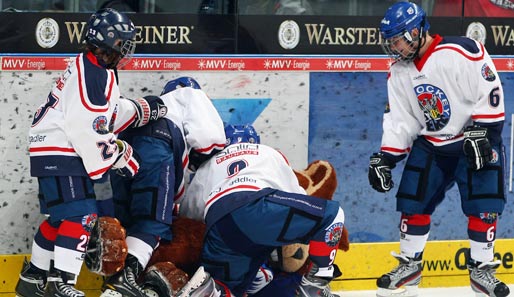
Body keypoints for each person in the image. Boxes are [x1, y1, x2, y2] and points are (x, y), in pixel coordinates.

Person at [15, 8, 166, 297]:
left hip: (52, 148)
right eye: (124, 43)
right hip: (62, 150)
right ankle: (62, 285)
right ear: (112, 43)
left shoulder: (92, 68)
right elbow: (90, 129)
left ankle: (32, 278)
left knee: (61, 218)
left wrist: (140, 110)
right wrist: (117, 156)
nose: (127, 49)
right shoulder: (94, 75)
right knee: (82, 216)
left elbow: (104, 113)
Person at [368, 2, 508, 297]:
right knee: (412, 202)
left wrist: (485, 130)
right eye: (390, 40)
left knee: (484, 207)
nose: (393, 46)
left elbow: (490, 89)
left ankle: (481, 270)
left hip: (473, 139)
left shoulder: (461, 51)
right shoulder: (399, 71)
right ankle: (411, 266)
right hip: (432, 144)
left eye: (397, 39)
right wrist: (387, 157)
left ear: (417, 31)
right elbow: (400, 119)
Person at [175, 124, 345, 297]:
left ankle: (210, 290)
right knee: (331, 215)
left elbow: (189, 217)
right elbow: (296, 195)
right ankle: (313, 288)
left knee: (230, 290)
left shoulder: (207, 166)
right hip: (258, 208)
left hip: (221, 223)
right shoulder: (269, 152)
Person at [97, 76, 226, 297]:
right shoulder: (189, 93)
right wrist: (199, 160)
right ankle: (121, 284)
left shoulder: (155, 105)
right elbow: (210, 139)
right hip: (157, 143)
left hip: (122, 147)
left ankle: (113, 284)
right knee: (152, 222)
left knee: (126, 222)